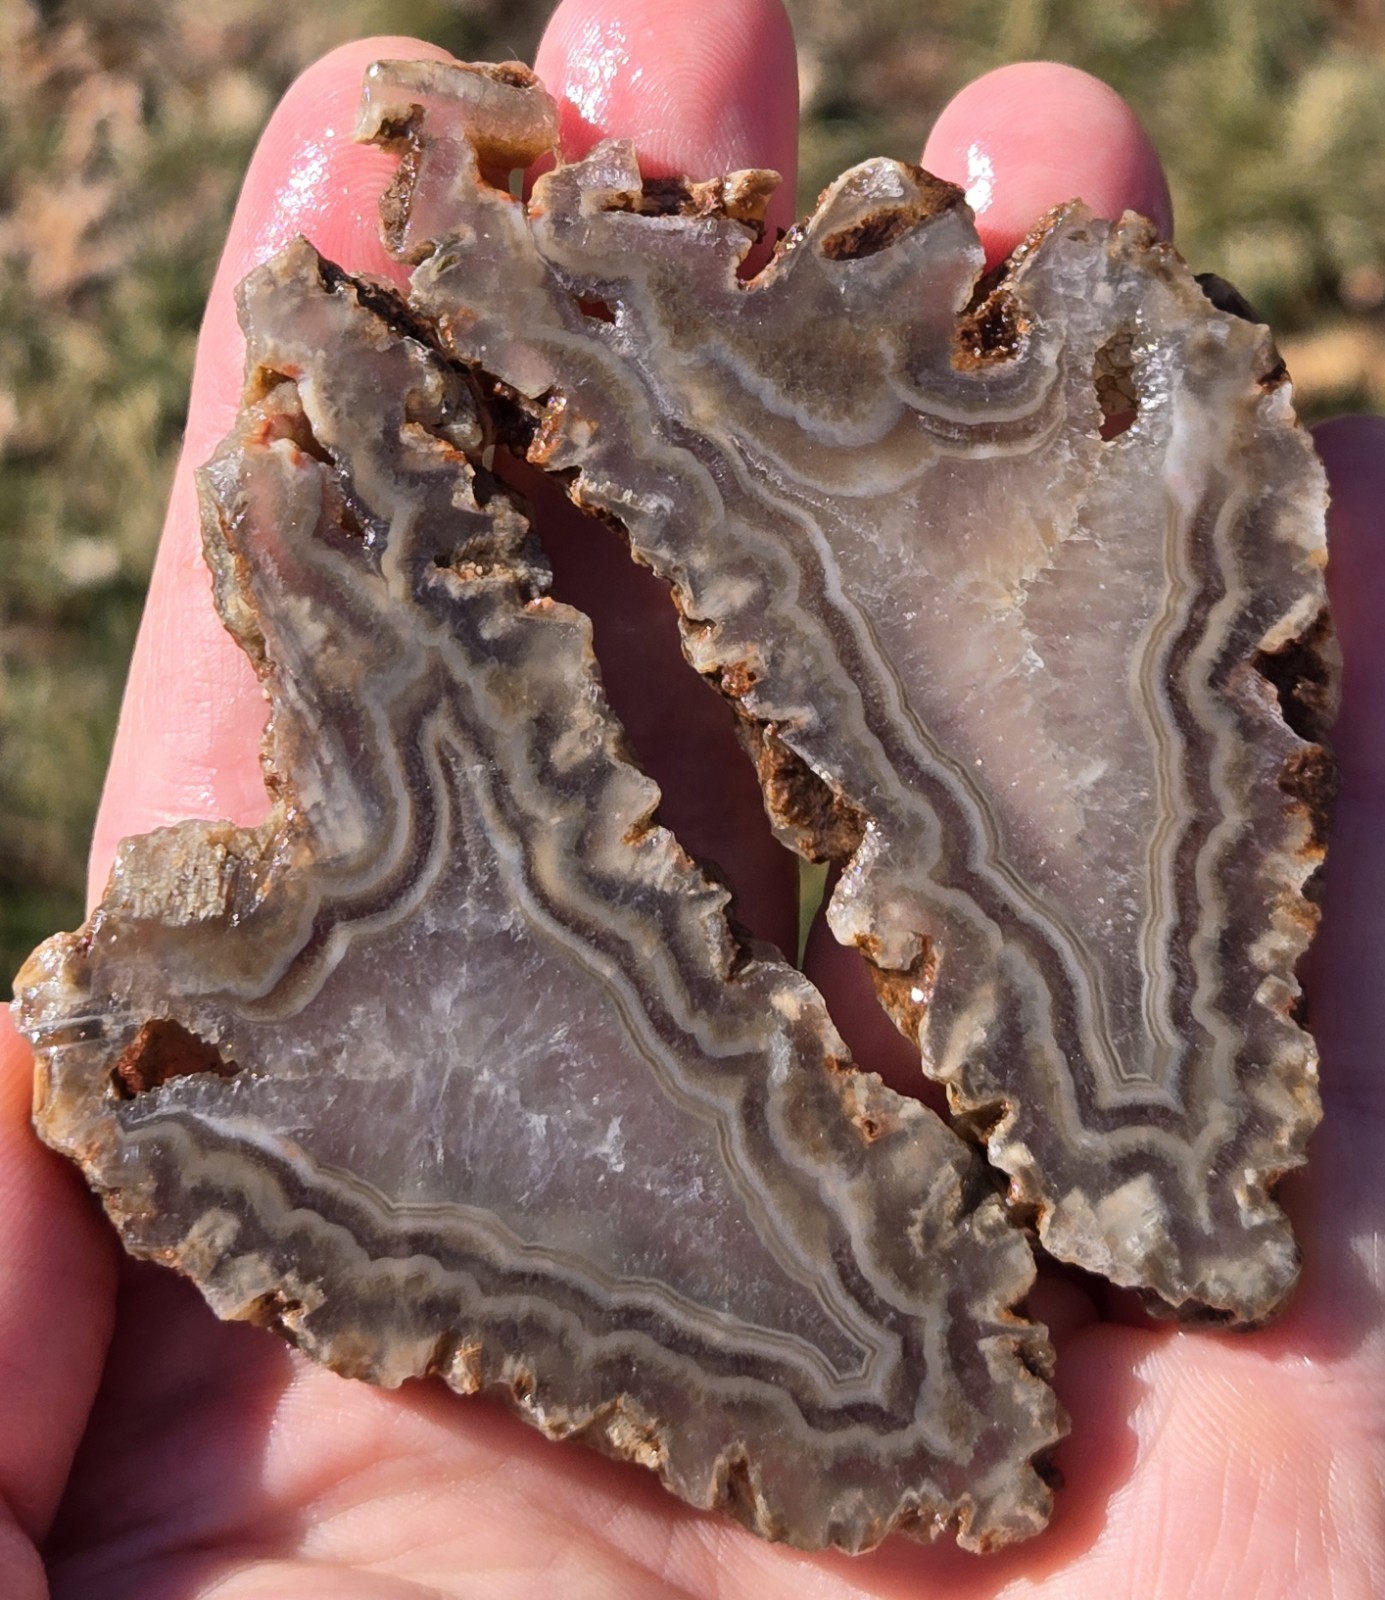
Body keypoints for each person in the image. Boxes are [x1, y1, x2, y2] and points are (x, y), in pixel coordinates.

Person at [3, 2, 1381, 1593]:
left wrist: (517, 277)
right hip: (853, 1359)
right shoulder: (213, 1048)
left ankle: (1107, 1189)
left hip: (915, 1323)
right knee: (1072, 1211)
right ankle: (1032, 1269)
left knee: (1127, 1144)